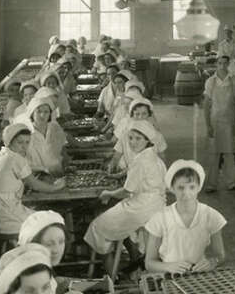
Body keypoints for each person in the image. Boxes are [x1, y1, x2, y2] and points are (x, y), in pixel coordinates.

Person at [85, 120, 169, 273]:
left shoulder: (141, 160)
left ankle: (111, 275)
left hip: (141, 208)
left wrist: (108, 193)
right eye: (130, 138)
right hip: (157, 206)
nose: (133, 142)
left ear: (147, 141)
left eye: (138, 139)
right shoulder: (155, 158)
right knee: (117, 219)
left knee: (97, 226)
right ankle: (134, 258)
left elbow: (126, 191)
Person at [0, 123, 65, 237]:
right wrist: (57, 186)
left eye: (27, 142)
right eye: (20, 142)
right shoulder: (16, 158)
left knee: (40, 216)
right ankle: (39, 253)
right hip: (6, 218)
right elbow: (35, 185)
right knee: (51, 222)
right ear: (9, 142)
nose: (24, 147)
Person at [144, 160, 227, 274]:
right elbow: (149, 263)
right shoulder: (160, 218)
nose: (186, 193)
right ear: (172, 188)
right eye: (181, 187)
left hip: (199, 275)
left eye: (192, 187)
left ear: (199, 187)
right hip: (169, 276)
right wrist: (168, 267)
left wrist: (213, 262)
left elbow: (220, 256)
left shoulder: (210, 215)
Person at [202, 55, 235, 192]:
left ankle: (231, 183)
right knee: (214, 153)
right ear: (216, 65)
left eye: (225, 63)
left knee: (229, 153)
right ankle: (211, 184)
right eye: (220, 63)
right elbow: (206, 105)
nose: (222, 66)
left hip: (229, 121)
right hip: (215, 120)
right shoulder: (210, 82)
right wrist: (208, 125)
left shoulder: (234, 81)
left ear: (229, 64)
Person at [109, 96, 166, 175]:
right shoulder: (125, 134)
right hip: (128, 173)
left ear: (149, 115)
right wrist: (112, 165)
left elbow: (162, 159)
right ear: (131, 116)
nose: (140, 117)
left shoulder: (157, 135)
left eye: (144, 114)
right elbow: (117, 155)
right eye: (137, 114)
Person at [18, 95, 66, 177]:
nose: (42, 115)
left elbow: (63, 149)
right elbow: (21, 162)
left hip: (58, 172)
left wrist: (64, 166)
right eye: (38, 111)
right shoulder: (26, 133)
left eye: (46, 112)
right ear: (32, 114)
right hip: (36, 176)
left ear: (50, 114)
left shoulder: (55, 128)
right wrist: (43, 169)